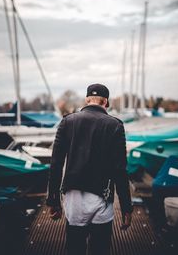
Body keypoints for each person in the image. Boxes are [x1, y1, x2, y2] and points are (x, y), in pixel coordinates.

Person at [46, 83, 133, 255]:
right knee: (100, 249)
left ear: (87, 100)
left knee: (74, 247)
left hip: (73, 198)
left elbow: (56, 164)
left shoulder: (67, 121)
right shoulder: (115, 125)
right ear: (105, 102)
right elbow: (120, 170)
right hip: (102, 196)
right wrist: (126, 207)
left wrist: (53, 200)